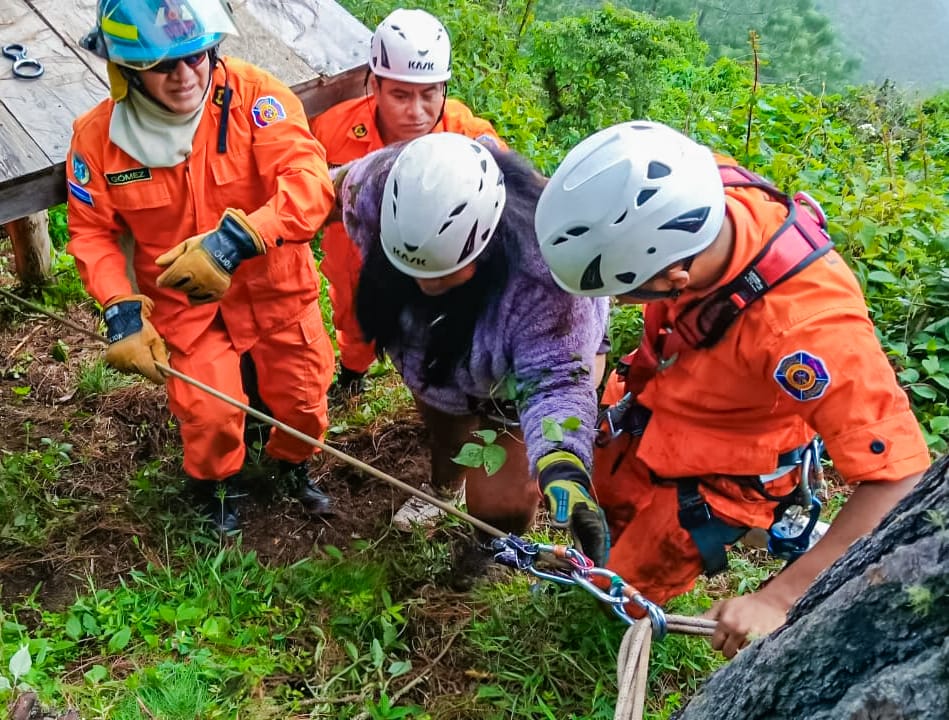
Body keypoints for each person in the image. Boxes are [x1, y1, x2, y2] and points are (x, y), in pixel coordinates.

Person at [534, 121, 931, 657]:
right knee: (604, 503)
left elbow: (900, 479)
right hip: (659, 410)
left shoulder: (808, 328)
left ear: (674, 278)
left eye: (623, 293)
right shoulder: (696, 187)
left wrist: (781, 598)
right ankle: (604, 563)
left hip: (718, 476)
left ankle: (611, 618)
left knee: (627, 587)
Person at [65, 0, 337, 532]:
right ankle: (214, 485)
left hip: (274, 290)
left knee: (304, 400)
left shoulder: (258, 98)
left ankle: (290, 463)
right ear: (126, 71)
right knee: (210, 415)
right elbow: (93, 233)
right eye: (164, 65)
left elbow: (308, 180)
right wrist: (122, 312)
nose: (186, 75)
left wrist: (234, 242)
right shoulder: (98, 140)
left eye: (196, 56)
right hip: (186, 309)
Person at [332, 132, 611, 567]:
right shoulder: (375, 186)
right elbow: (315, 192)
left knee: (503, 504)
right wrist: (240, 240)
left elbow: (555, 381)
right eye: (415, 269)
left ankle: (489, 545)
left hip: (523, 372)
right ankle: (444, 486)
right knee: (447, 435)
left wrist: (563, 464)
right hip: (435, 353)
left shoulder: (548, 284)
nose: (427, 285)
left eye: (446, 272)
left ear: (486, 243)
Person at [310, 7, 506, 400]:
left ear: (444, 89)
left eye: (429, 94)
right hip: (354, 253)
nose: (416, 112)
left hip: (435, 263)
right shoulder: (333, 130)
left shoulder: (469, 136)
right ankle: (352, 372)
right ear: (375, 85)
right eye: (400, 95)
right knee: (352, 315)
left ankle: (438, 391)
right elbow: (307, 194)